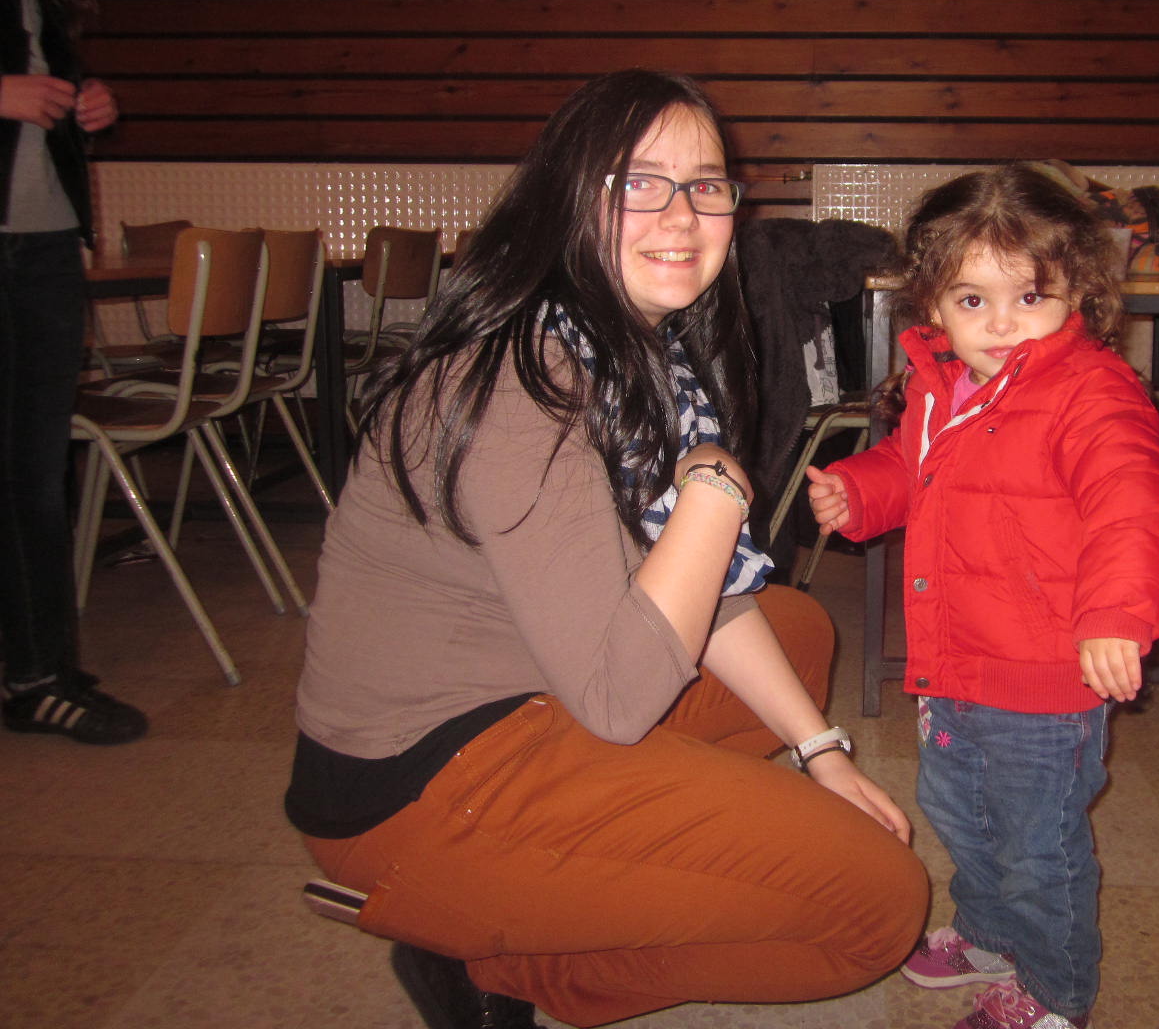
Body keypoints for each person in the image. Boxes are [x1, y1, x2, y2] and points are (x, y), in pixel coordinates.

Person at [286, 69, 928, 1029]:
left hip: (536, 693)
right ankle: (499, 959)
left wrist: (822, 752)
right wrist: (715, 488)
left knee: (793, 631)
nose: (682, 214)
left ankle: (548, 885)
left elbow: (707, 592)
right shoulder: (520, 382)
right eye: (639, 183)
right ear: (567, 197)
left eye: (705, 184)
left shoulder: (624, 343)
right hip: (418, 794)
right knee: (877, 908)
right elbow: (620, 700)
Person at [806, 164, 1159, 1029]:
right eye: (973, 300)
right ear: (934, 304)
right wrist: (862, 492)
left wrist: (1116, 615)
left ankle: (1055, 994)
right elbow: (914, 467)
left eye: (1030, 297)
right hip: (954, 657)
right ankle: (989, 934)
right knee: (962, 812)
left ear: (1077, 294)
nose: (1002, 324)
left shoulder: (1091, 393)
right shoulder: (943, 383)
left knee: (1036, 844)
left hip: (1045, 676)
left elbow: (1137, 502)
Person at [0, 0, 146, 744]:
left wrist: (83, 99)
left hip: (43, 236)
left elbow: (36, 82)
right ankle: (36, 672)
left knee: (34, 470)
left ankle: (39, 668)